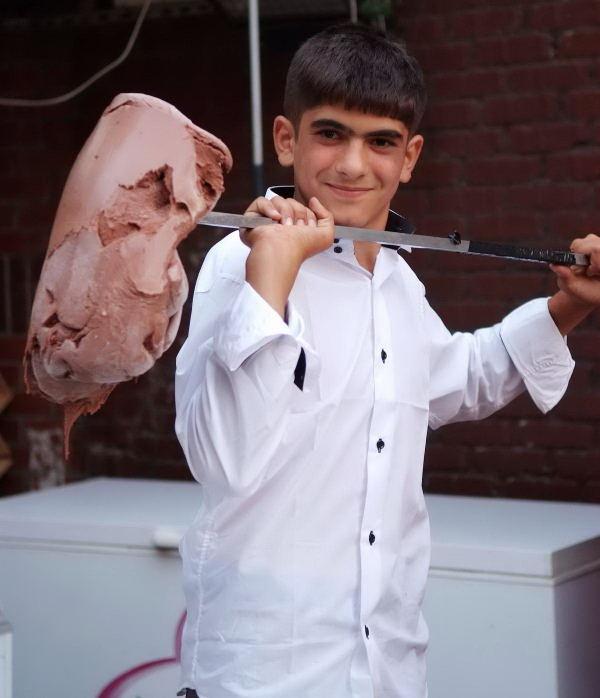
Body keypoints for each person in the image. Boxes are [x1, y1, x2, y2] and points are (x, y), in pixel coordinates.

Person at [174, 23, 600, 698]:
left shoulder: (397, 280)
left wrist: (568, 306)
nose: (352, 165)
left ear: (410, 157)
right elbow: (225, 460)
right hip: (269, 675)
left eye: (380, 142)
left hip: (389, 670)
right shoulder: (241, 262)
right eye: (330, 133)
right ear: (286, 138)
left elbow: (457, 379)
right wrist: (272, 280)